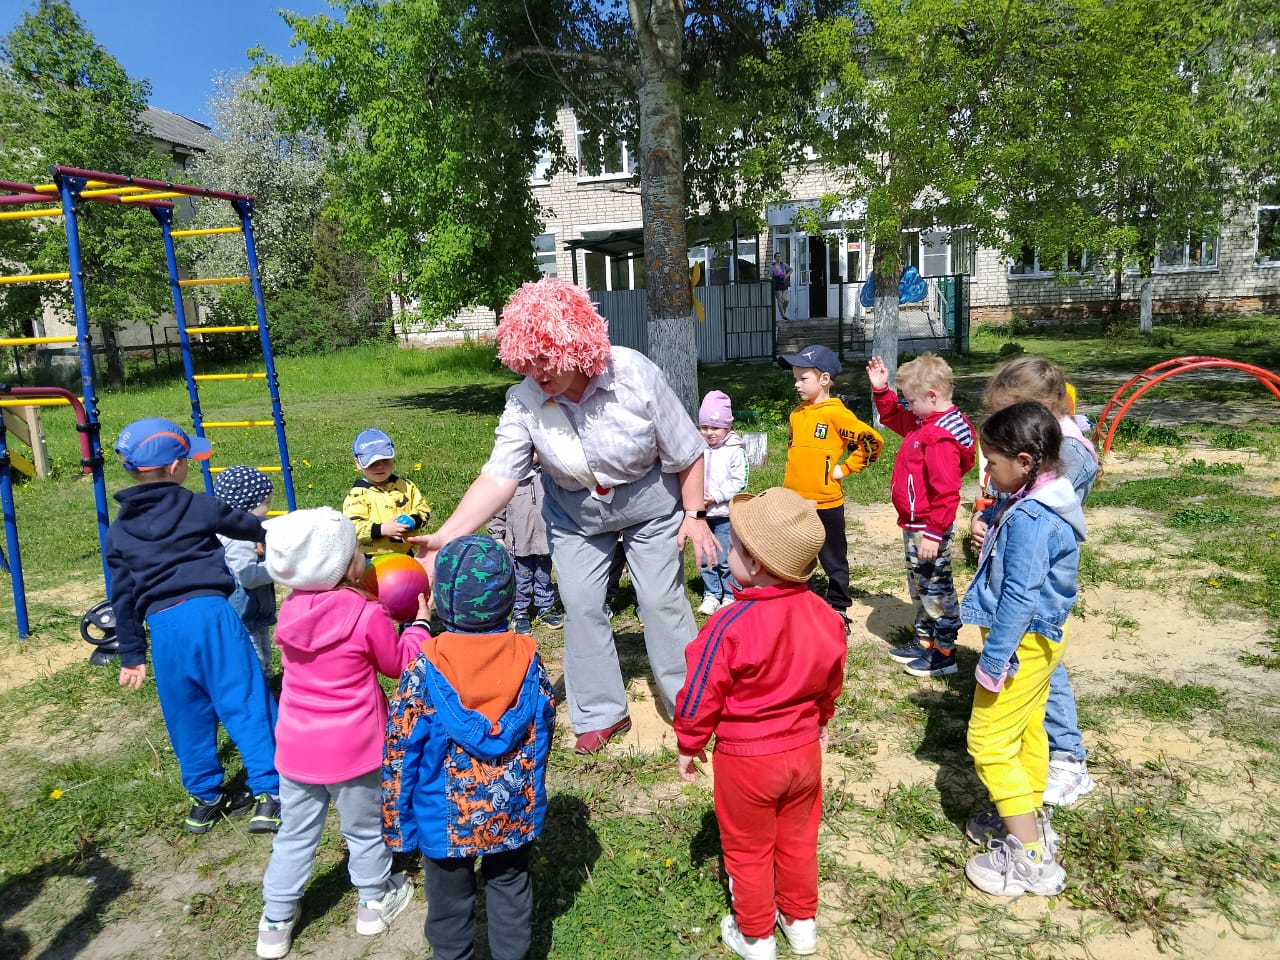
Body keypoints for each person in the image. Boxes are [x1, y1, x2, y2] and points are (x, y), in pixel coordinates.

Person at [411, 276, 719, 755]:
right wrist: (446, 537)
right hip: (576, 514)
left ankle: (690, 703)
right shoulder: (525, 400)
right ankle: (600, 712)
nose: (536, 372)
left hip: (650, 504)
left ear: (577, 343)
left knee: (659, 600)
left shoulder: (633, 374)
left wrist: (695, 514)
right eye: (525, 361)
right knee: (579, 604)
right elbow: (499, 477)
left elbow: (687, 450)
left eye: (545, 358)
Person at [675, 488, 846, 960]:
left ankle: (755, 934)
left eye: (733, 547)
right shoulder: (827, 616)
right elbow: (831, 679)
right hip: (803, 752)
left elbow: (701, 690)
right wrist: (822, 719)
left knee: (749, 849)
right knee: (797, 837)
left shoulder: (728, 624)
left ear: (755, 564)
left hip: (747, 760)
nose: (727, 552)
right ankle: (800, 920)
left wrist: (689, 742)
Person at [254, 507, 423, 959]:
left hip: (296, 747)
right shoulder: (365, 614)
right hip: (355, 746)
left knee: (294, 833)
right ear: (344, 564)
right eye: (358, 552)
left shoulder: (290, 611)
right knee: (364, 830)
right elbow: (399, 665)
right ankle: (372, 901)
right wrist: (420, 627)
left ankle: (275, 920)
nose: (366, 559)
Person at [383, 535, 556, 960]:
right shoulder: (529, 662)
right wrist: (532, 801)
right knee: (511, 887)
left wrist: (397, 827)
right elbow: (544, 732)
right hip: (512, 813)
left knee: (448, 906)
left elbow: (400, 754)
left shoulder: (423, 671)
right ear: (510, 596)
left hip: (441, 821)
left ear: (439, 600)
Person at [105, 417, 281, 835]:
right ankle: (270, 793)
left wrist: (132, 655)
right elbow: (244, 524)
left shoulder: (119, 532)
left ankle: (205, 798)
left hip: (164, 627)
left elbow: (123, 597)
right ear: (172, 468)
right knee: (244, 698)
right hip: (211, 615)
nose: (188, 465)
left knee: (186, 712)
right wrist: (264, 536)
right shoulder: (197, 504)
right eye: (186, 458)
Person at [960, 402, 1084, 897]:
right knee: (1028, 729)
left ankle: (1031, 859)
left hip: (1022, 642)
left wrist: (994, 660)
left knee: (988, 741)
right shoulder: (1044, 497)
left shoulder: (1033, 515)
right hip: (1039, 639)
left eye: (992, 463)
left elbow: (1020, 592)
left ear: (1026, 461)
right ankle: (1026, 818)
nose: (987, 473)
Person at [969, 356, 1100, 808]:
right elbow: (1011, 498)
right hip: (1016, 584)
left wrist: (996, 657)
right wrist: (989, 517)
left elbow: (1039, 522)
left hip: (1030, 600)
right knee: (1041, 674)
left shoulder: (1071, 456)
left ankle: (1069, 758)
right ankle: (1044, 758)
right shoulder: (1033, 456)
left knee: (1045, 669)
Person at [868, 353, 976, 677]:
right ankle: (925, 641)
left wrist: (934, 531)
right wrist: (881, 391)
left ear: (931, 396)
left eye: (910, 400)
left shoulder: (939, 437)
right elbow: (893, 417)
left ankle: (944, 652)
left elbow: (947, 492)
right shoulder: (923, 421)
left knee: (935, 588)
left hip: (929, 528)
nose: (907, 407)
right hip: (915, 524)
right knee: (919, 585)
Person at [778, 345, 883, 627]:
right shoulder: (797, 415)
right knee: (799, 556)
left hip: (826, 504)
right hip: (795, 503)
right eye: (795, 378)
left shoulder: (836, 414)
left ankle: (839, 608)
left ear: (824, 379)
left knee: (833, 559)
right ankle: (805, 605)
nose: (797, 384)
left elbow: (872, 441)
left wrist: (845, 468)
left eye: (803, 378)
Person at [488, 452, 564, 635]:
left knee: (544, 577)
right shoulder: (508, 479)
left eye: (535, 450)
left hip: (545, 540)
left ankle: (545, 607)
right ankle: (520, 612)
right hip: (519, 542)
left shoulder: (549, 475)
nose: (532, 455)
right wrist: (498, 534)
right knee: (520, 579)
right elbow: (496, 507)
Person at [213, 465, 277, 677]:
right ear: (248, 507)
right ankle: (257, 691)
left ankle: (267, 686)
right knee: (252, 657)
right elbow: (248, 577)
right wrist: (276, 568)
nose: (268, 509)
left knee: (263, 651)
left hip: (255, 609)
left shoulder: (243, 531)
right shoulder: (238, 539)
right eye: (265, 503)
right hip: (243, 612)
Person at [696, 389, 749, 615]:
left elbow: (740, 481)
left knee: (726, 556)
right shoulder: (698, 449)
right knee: (704, 555)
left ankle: (730, 593)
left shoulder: (734, 451)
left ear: (728, 427)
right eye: (704, 427)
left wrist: (716, 496)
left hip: (724, 513)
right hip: (701, 512)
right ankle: (711, 593)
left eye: (715, 428)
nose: (709, 433)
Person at [343, 428, 431, 558]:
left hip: (406, 555)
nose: (380, 466)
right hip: (371, 560)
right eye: (372, 463)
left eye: (385, 460)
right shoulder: (358, 495)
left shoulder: (406, 486)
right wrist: (383, 529)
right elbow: (352, 529)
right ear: (358, 463)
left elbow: (424, 510)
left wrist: (413, 520)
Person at [770, 251, 792, 321]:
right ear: (775, 258)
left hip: (783, 283)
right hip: (776, 284)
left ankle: (783, 310)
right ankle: (783, 315)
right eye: (777, 256)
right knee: (780, 301)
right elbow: (770, 276)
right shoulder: (772, 266)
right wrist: (771, 279)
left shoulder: (784, 265)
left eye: (780, 256)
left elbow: (791, 270)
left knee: (786, 300)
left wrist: (786, 276)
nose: (779, 258)